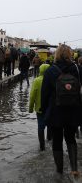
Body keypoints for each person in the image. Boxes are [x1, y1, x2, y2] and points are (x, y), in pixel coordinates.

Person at [41, 44, 82, 176]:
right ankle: (74, 169)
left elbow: (45, 94)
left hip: (56, 112)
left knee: (57, 141)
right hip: (73, 111)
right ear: (70, 54)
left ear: (56, 54)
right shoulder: (76, 69)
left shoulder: (50, 70)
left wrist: (43, 110)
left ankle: (59, 171)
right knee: (71, 139)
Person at [29, 64, 50, 151]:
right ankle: (49, 140)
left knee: (40, 127)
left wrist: (30, 108)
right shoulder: (53, 80)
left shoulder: (37, 80)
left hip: (39, 108)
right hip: (50, 108)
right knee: (50, 125)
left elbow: (32, 95)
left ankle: (42, 146)